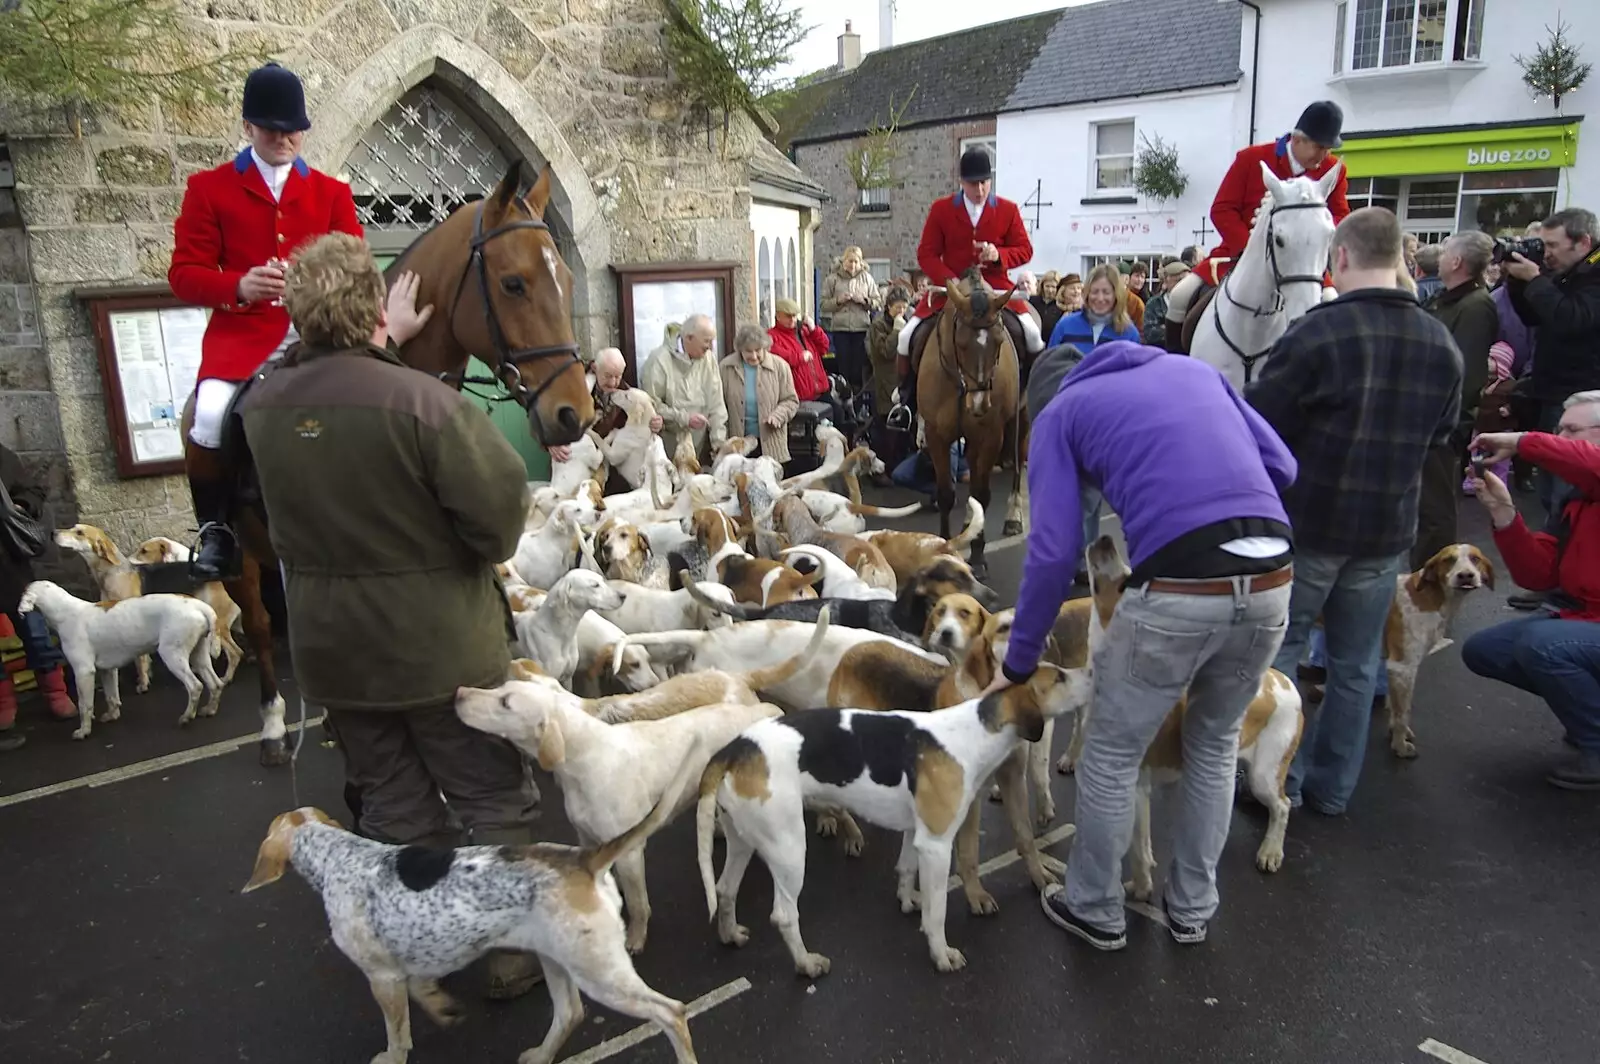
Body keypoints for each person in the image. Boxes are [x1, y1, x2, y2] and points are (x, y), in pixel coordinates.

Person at [235, 232, 542, 997]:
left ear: (299, 311)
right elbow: (500, 519)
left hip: (336, 653)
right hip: (442, 649)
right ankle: (508, 958)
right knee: (493, 799)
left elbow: (259, 517)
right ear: (376, 306)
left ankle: (427, 944)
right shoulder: (425, 402)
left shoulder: (262, 405)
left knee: (396, 806)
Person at [988, 337, 1297, 951]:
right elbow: (1285, 469)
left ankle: (1096, 909)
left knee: (1110, 755)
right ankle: (1192, 911)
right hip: (1273, 575)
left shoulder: (1059, 413)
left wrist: (1019, 662)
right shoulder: (1194, 372)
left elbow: (1051, 551)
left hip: (1181, 580)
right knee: (1211, 747)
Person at [1245, 207, 1462, 816]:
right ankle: (1334, 791)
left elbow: (1260, 423)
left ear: (1338, 257)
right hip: (1386, 530)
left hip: (1310, 527)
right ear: (1397, 258)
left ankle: (1279, 783)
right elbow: (1444, 433)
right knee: (1355, 665)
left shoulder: (1318, 333)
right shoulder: (1440, 342)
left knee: (1282, 658)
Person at [170, 62, 364, 581]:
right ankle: (215, 529)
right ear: (248, 127)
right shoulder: (208, 189)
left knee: (372, 402)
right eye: (273, 128)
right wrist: (238, 286)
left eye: (293, 128)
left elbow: (356, 268)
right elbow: (184, 275)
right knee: (208, 418)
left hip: (317, 336)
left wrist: (315, 287)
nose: (285, 137)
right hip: (242, 337)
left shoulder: (331, 194)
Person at [1463, 404, 1600, 789]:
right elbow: (1539, 576)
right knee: (1485, 650)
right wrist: (1505, 515)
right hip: (1587, 619)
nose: (1561, 439)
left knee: (1545, 647)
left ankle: (1596, 740)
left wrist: (1522, 441)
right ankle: (1589, 716)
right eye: (1559, 428)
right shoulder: (1576, 497)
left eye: (1573, 430)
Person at [1165, 101, 1351, 349]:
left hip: (1301, 265)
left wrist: (1318, 232)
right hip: (1238, 256)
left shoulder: (1332, 171)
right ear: (1297, 139)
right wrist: (1247, 248)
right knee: (1179, 297)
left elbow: (1340, 215)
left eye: (1328, 148)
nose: (1324, 156)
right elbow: (1222, 209)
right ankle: (1178, 372)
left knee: (1333, 308)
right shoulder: (1252, 158)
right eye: (1319, 147)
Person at [894, 147, 1042, 420]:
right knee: (906, 337)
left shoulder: (1007, 210)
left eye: (985, 182)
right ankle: (905, 401)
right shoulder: (941, 209)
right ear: (961, 182)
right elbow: (926, 253)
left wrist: (999, 255)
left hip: (995, 287)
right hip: (950, 290)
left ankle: (1028, 397)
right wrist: (951, 281)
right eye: (974, 183)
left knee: (1033, 335)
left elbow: (1025, 250)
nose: (981, 188)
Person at [1504, 208, 1600, 517]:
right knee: (1549, 486)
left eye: (1553, 246)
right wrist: (1518, 283)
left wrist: (1535, 279)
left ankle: (1566, 552)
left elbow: (1571, 319)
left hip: (1580, 397)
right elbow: (1536, 316)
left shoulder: (1595, 276)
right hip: (1553, 391)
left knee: (1566, 489)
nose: (1547, 255)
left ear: (1583, 242)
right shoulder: (1572, 273)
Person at [1414, 230, 1497, 566]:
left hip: (1442, 425)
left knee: (1436, 511)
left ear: (1458, 261)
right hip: (1426, 418)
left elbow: (1466, 374)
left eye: (1446, 251)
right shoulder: (1447, 300)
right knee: (1423, 507)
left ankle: (1432, 585)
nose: (1441, 256)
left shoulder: (1475, 306)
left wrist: (1449, 426)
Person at [0, 445, 76, 750]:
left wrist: (20, 506)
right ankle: (4, 703)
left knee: (34, 631)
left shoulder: (2, 456)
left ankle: (55, 692)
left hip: (9, 564)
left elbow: (32, 489)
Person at [549, 347, 653, 493]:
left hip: (605, 467)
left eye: (618, 376)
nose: (613, 383)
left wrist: (654, 423)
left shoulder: (625, 394)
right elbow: (549, 414)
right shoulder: (574, 386)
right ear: (594, 368)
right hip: (573, 461)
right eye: (608, 376)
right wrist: (551, 441)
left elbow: (638, 421)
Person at [640, 313, 728, 464]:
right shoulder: (658, 361)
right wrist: (684, 418)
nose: (711, 348)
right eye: (706, 341)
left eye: (712, 341)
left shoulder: (708, 359)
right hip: (667, 451)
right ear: (688, 338)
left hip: (700, 450)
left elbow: (717, 404)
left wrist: (719, 444)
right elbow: (651, 406)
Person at [721, 324, 800, 461]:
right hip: (739, 447)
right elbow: (719, 405)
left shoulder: (780, 367)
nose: (754, 356)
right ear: (740, 350)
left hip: (770, 445)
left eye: (758, 350)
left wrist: (777, 416)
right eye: (748, 351)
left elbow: (791, 401)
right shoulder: (726, 367)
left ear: (765, 347)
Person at [819, 246, 880, 391]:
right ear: (843, 261)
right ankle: (844, 398)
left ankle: (857, 404)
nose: (852, 265)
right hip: (841, 329)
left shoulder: (867, 278)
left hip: (861, 329)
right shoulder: (832, 279)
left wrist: (865, 301)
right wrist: (838, 301)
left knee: (858, 369)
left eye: (856, 262)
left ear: (861, 263)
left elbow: (877, 302)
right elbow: (823, 305)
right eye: (850, 261)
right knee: (844, 367)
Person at [1048, 264, 1142, 349]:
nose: (1100, 298)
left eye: (1106, 292)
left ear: (1116, 295)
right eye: (1094, 292)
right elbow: (1049, 364)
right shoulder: (1065, 327)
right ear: (1087, 293)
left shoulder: (1129, 334)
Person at [868, 286, 912, 467]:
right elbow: (885, 351)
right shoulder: (878, 325)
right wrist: (896, 332)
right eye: (897, 308)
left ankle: (901, 465)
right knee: (887, 430)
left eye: (904, 307)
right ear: (888, 307)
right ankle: (885, 468)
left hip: (903, 380)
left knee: (904, 428)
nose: (901, 311)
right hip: (886, 381)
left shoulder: (909, 321)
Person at [1143, 260, 1189, 346]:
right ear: (1166, 281)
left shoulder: (1193, 304)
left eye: (1187, 282)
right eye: (1179, 281)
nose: (1184, 285)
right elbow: (1150, 334)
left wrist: (1165, 328)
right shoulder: (1154, 304)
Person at [1123, 262, 1147, 326]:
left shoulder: (1148, 298)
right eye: (1137, 276)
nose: (1139, 280)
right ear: (1129, 277)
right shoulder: (1123, 296)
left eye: (1142, 277)